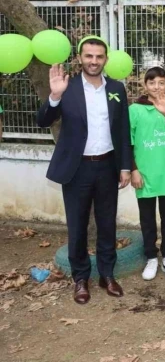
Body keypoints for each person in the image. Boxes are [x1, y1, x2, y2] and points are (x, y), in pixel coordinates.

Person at [36, 36, 132, 304]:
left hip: (107, 167)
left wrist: (125, 166)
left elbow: (123, 131)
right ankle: (81, 279)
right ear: (80, 58)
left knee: (107, 224)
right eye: (89, 56)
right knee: (77, 227)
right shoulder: (67, 87)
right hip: (77, 169)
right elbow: (43, 120)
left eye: (99, 56)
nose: (94, 61)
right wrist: (54, 96)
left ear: (106, 59)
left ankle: (107, 275)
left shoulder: (116, 88)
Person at [130, 67, 165, 281]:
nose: (157, 87)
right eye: (152, 83)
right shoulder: (135, 110)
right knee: (147, 219)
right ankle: (151, 258)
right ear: (145, 85)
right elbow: (128, 142)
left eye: (161, 83)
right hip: (143, 176)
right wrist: (133, 170)